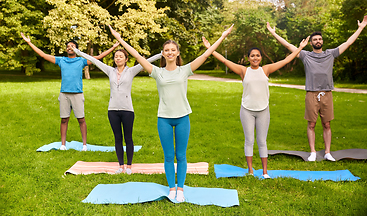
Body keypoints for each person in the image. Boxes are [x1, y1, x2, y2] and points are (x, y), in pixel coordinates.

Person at [109, 24, 233, 202]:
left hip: (183, 118)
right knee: (168, 156)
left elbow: (206, 55)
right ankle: (171, 188)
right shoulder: (157, 72)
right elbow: (136, 55)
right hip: (164, 119)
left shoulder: (185, 70)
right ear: (163, 53)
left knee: (181, 156)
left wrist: (222, 36)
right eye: (166, 50)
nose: (169, 52)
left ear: (177, 53)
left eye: (172, 50)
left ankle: (180, 189)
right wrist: (120, 39)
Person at [202, 35, 310, 178]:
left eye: (257, 55)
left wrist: (301, 48)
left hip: (263, 110)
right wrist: (210, 48)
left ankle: (265, 172)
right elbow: (224, 60)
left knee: (262, 141)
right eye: (252, 56)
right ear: (248, 58)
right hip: (247, 110)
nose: (255, 58)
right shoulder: (243, 71)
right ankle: (251, 170)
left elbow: (286, 60)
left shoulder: (265, 70)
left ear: (260, 58)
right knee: (249, 140)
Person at [267, 15, 367, 161]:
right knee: (311, 124)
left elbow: (348, 43)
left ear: (322, 41)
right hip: (311, 94)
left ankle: (327, 152)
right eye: (315, 39)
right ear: (311, 43)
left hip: (327, 94)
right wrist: (274, 33)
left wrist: (361, 28)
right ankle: (313, 152)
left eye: (319, 39)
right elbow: (289, 46)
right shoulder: (305, 55)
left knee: (327, 124)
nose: (317, 41)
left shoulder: (330, 54)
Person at [21, 33, 119, 151]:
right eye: (68, 46)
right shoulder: (61, 60)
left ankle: (84, 145)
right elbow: (43, 54)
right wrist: (29, 42)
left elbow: (97, 58)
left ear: (76, 49)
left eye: (72, 45)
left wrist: (113, 48)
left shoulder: (81, 61)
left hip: (77, 94)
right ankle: (63, 145)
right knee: (64, 119)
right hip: (64, 94)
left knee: (81, 119)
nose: (69, 47)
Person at [72, 46, 161, 174]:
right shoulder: (110, 71)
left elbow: (145, 61)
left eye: (120, 56)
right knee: (117, 138)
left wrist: (160, 54)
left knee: (128, 138)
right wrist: (78, 52)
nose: (118, 58)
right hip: (112, 110)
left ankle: (129, 166)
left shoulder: (131, 71)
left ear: (126, 59)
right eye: (116, 57)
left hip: (127, 110)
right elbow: (95, 60)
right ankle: (121, 165)